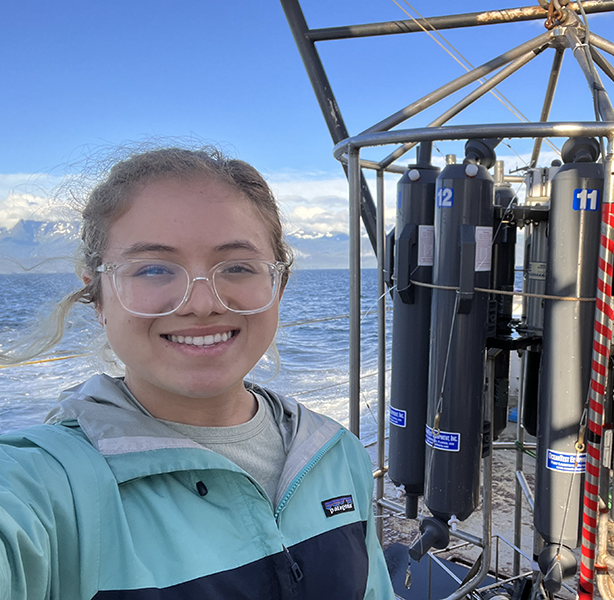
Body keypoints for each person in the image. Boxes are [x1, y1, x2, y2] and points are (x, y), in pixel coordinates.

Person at [0, 147, 394, 599]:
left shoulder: (335, 454)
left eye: (237, 267)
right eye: (152, 268)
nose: (201, 303)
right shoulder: (47, 488)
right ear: (99, 298)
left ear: (278, 285)